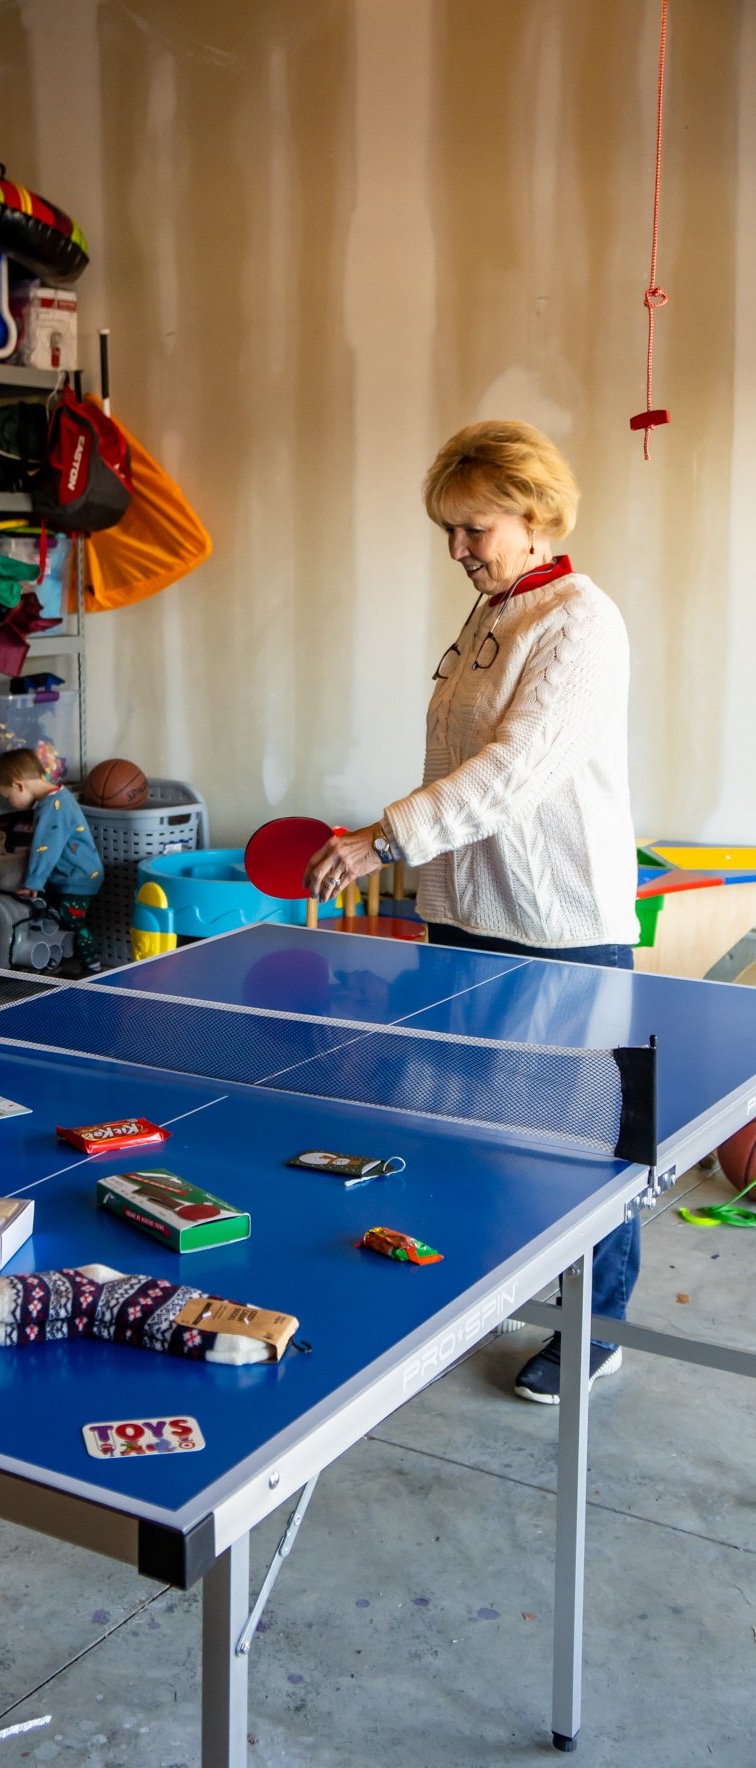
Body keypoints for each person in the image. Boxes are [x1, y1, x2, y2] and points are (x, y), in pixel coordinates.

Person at [305, 419, 639, 1405]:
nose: (458, 551)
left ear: (536, 517)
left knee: (582, 1148)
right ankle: (485, 1288)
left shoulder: (579, 622)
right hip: (463, 915)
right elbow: (458, 765)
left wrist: (384, 839)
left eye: (474, 529)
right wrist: (405, 852)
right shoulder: (491, 616)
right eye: (448, 531)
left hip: (557, 929)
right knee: (459, 1118)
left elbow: (516, 773)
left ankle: (596, 1332)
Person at [0, 747, 105, 972]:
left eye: (7, 797)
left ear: (19, 785)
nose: (9, 802)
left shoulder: (53, 807)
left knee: (71, 920)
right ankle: (62, 959)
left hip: (78, 878)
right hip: (73, 875)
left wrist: (32, 883)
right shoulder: (56, 798)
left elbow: (47, 849)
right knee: (57, 916)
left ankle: (93, 967)